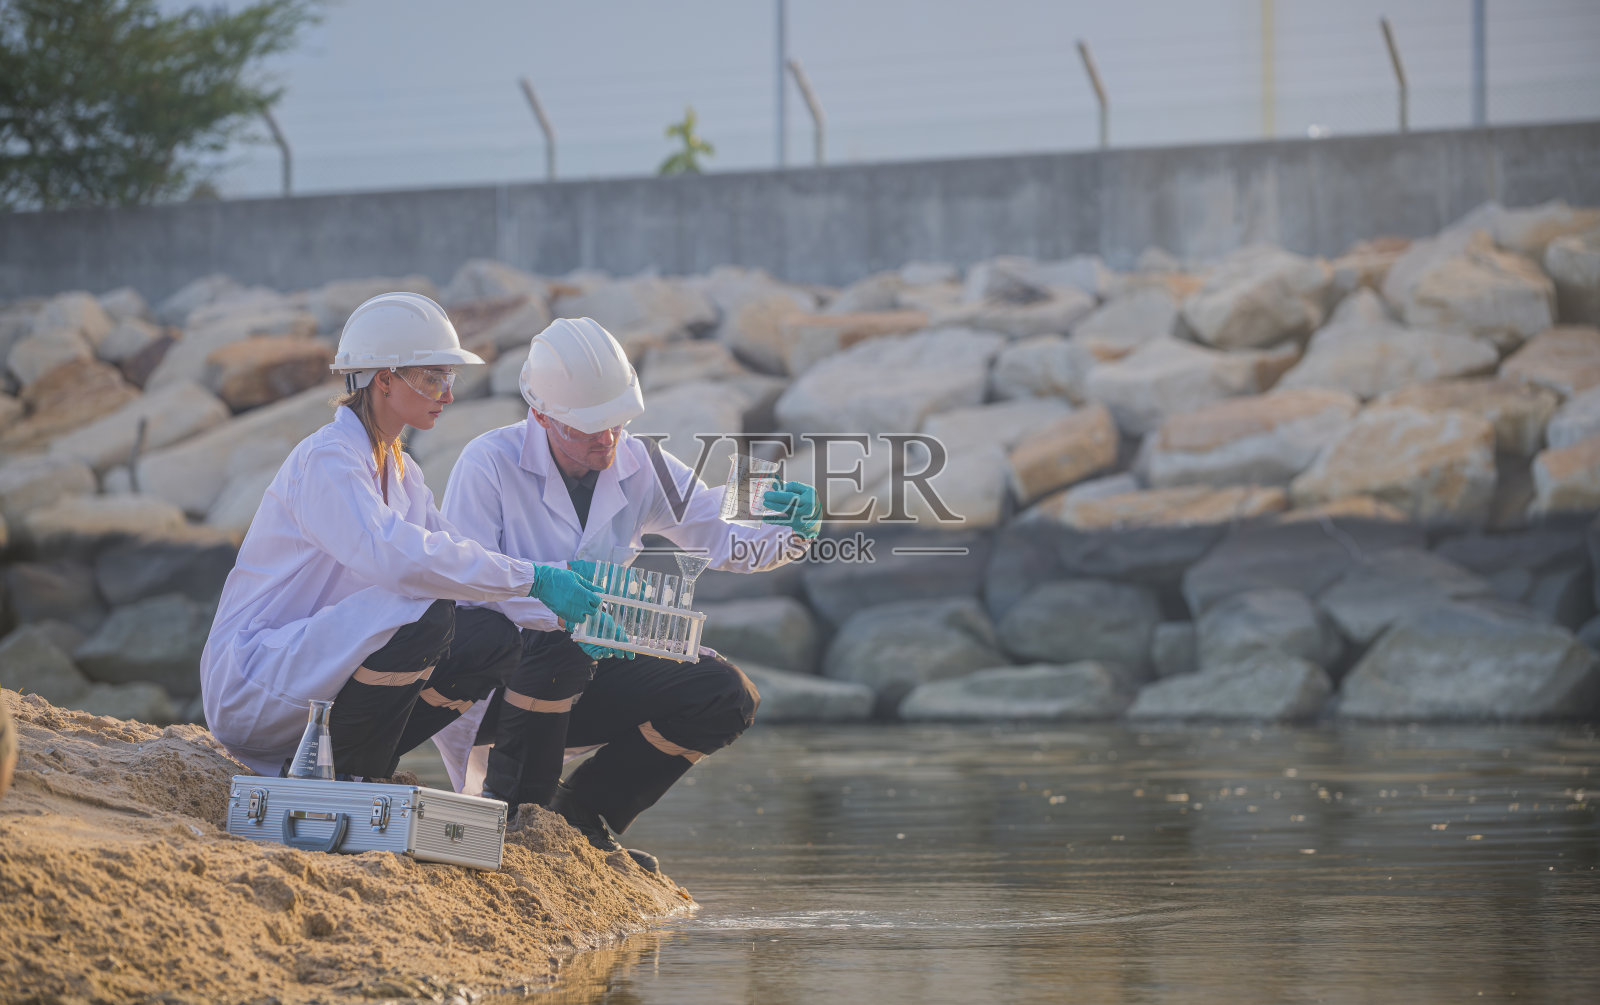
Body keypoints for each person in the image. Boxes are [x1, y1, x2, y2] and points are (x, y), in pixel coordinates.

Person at [433, 316, 821, 870]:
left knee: (725, 693)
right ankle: (521, 815)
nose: (607, 440)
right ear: (541, 416)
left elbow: (719, 528)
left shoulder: (640, 463)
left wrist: (791, 530)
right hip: (495, 686)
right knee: (557, 643)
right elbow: (463, 582)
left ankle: (582, 816)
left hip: (586, 666)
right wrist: (548, 597)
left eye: (616, 423)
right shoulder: (487, 462)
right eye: (589, 428)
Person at [199, 292, 615, 780]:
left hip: (315, 675)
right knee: (423, 606)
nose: (448, 395)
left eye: (449, 378)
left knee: (492, 638)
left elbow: (461, 561)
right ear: (384, 379)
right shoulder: (327, 460)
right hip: (254, 685)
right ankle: (350, 773)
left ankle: (358, 767)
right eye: (433, 378)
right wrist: (536, 578)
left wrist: (569, 612)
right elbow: (396, 559)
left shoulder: (402, 471)